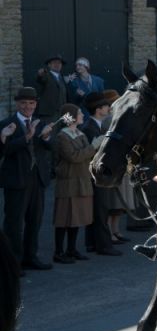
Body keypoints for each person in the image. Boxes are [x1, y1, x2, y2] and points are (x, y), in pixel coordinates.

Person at [1, 87, 55, 272]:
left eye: (31, 103)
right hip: (16, 180)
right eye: (23, 103)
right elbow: (4, 150)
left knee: (35, 221)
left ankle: (30, 257)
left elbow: (48, 147)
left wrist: (47, 137)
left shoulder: (40, 123)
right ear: (17, 104)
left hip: (37, 179)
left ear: (35, 104)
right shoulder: (7, 124)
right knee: (14, 224)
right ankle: (13, 262)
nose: (27, 107)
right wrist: (27, 137)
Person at [52, 104, 100, 265]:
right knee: (63, 218)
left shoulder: (79, 134)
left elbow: (84, 156)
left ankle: (71, 249)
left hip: (82, 179)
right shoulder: (62, 136)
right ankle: (58, 252)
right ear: (71, 117)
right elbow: (73, 157)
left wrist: (90, 150)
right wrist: (93, 146)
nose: (82, 116)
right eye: (79, 113)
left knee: (77, 217)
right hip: (68, 182)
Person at [81, 90, 122, 256]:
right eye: (106, 106)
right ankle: (104, 245)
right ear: (98, 109)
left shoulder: (96, 126)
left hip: (96, 173)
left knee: (98, 209)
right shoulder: (90, 128)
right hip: (95, 174)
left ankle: (91, 242)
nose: (108, 108)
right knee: (101, 209)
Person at [35, 55, 68, 122]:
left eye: (59, 63)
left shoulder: (62, 77)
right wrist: (40, 75)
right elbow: (40, 79)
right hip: (50, 114)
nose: (57, 64)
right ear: (49, 65)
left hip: (64, 113)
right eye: (54, 62)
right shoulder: (46, 75)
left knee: (68, 128)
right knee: (51, 131)